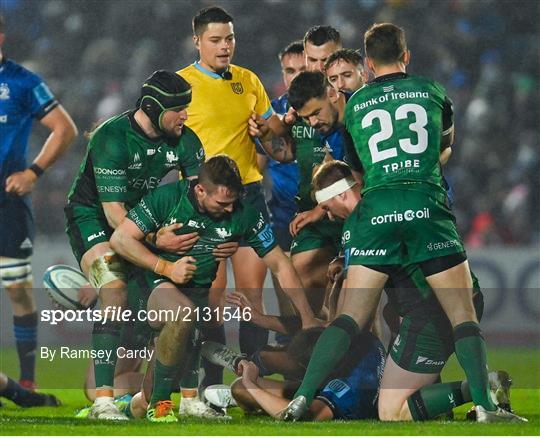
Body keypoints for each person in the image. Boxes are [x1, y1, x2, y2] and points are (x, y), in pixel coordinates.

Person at [282, 23, 525, 423]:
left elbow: (360, 170)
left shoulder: (357, 105)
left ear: (369, 63)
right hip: (426, 205)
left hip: (377, 210)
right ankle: (483, 404)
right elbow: (444, 148)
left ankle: (303, 397)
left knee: (349, 317)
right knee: (462, 313)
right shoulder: (433, 92)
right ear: (406, 55)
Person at [308, 160, 525, 422]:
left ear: (342, 193)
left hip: (429, 315)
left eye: (328, 208)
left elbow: (358, 309)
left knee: (391, 412)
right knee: (393, 312)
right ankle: (466, 394)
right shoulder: (403, 198)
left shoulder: (362, 224)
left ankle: (480, 387)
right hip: (459, 297)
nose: (329, 216)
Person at [109, 155, 319, 422]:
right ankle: (160, 405)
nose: (229, 210)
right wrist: (166, 267)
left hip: (193, 298)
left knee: (150, 389)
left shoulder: (244, 214)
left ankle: (133, 405)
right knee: (182, 313)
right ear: (199, 190)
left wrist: (307, 316)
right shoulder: (168, 198)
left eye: (233, 202)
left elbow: (280, 264)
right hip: (153, 287)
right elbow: (120, 239)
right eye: (222, 203)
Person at [64, 70, 211, 420]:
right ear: (153, 106)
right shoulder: (112, 137)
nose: (186, 115)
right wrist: (155, 239)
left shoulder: (186, 141)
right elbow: (115, 215)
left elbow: (197, 201)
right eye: (179, 109)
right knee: (114, 288)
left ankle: (187, 398)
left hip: (145, 222)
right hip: (92, 221)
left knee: (187, 290)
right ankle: (102, 403)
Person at [177, 5, 279, 362]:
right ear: (197, 42)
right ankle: (212, 384)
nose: (225, 46)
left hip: (248, 195)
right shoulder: (180, 85)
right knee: (211, 297)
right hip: (203, 202)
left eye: (230, 38)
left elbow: (275, 135)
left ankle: (255, 377)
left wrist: (269, 131)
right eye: (216, 40)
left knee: (252, 294)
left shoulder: (248, 80)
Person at [0, 15, 77, 391]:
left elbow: (65, 128)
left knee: (16, 288)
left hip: (7, 202)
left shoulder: (22, 82)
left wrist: (33, 173)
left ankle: (27, 381)